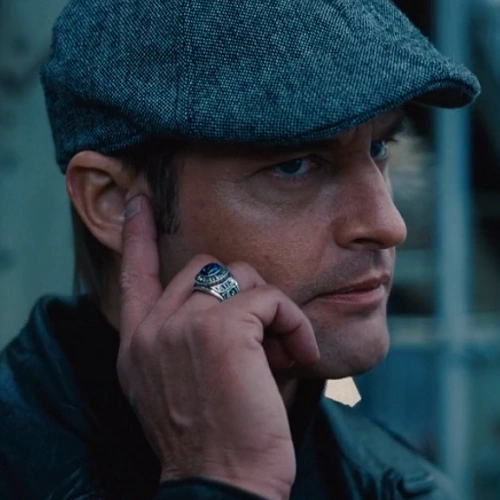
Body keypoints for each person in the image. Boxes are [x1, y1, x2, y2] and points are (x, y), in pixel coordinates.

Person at [0, 0, 480, 499]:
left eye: (379, 147)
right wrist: (224, 480)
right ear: (113, 202)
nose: (388, 225)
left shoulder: (403, 488)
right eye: (295, 165)